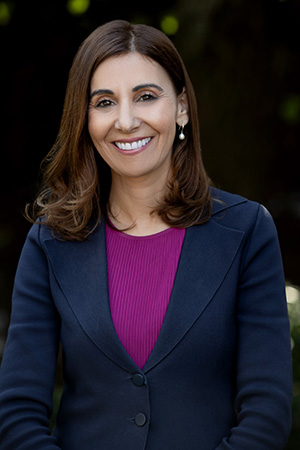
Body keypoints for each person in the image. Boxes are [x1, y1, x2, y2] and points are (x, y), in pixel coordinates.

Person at [0, 19, 293, 450]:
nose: (125, 120)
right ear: (85, 119)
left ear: (182, 108)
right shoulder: (49, 242)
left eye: (146, 97)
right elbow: (18, 413)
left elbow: (267, 410)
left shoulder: (247, 231)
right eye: (104, 102)